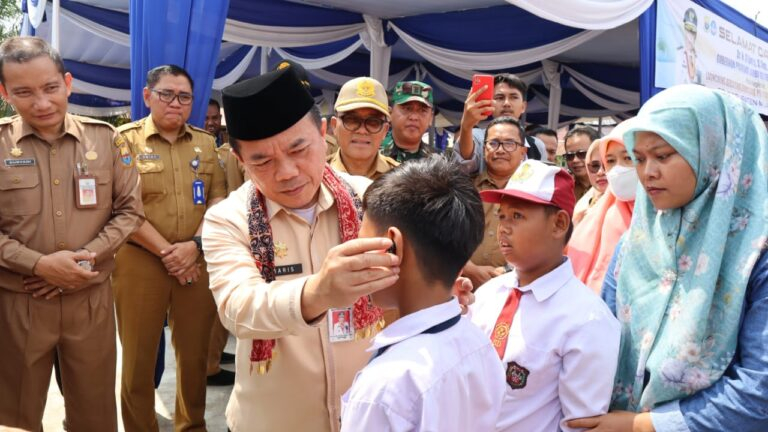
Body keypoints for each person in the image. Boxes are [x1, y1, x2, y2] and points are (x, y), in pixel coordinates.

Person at [204, 67, 475, 432]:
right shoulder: (228, 219)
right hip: (273, 421)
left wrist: (437, 295)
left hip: (368, 417)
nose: (287, 172)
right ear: (240, 160)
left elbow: (407, 279)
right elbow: (238, 309)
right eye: (262, 161)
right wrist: (318, 293)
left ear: (323, 133)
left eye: (299, 149)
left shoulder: (368, 198)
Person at [569, 85, 768, 432]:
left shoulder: (756, 252)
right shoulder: (635, 243)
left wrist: (642, 426)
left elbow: (758, 392)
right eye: (640, 158)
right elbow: (601, 339)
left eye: (663, 156)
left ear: (714, 154)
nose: (647, 172)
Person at [0, 36, 144, 431]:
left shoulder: (107, 139)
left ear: (67, 82)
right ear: (4, 92)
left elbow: (130, 211)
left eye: (50, 88)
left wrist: (82, 260)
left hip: (90, 299)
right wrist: (41, 265)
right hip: (20, 302)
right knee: (15, 416)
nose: (42, 103)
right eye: (24, 93)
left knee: (95, 415)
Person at [340, 156, 505, 431]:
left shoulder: (385, 385)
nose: (357, 250)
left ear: (393, 246)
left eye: (362, 239)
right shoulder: (478, 342)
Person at [113, 64, 227, 431]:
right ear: (147, 96)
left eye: (184, 97)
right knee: (138, 362)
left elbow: (218, 201)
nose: (175, 103)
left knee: (194, 357)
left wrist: (193, 247)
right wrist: (170, 253)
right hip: (140, 262)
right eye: (166, 94)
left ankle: (191, 425)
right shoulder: (124, 141)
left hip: (194, 260)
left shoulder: (206, 144)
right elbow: (122, 209)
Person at [471, 159, 621, 432]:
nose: (503, 227)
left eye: (517, 216)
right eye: (502, 215)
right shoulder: (489, 293)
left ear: (559, 224)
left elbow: (580, 423)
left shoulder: (587, 320)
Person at [568, 120, 637, 294]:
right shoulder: (595, 212)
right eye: (611, 161)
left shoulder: (663, 212)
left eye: (628, 158)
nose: (614, 170)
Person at [462, 116, 528, 289]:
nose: (500, 150)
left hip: (515, 287)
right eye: (494, 143)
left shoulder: (533, 194)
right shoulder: (463, 188)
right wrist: (469, 269)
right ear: (484, 150)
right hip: (463, 286)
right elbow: (443, 235)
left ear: (523, 152)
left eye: (509, 143)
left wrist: (508, 272)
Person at [204, 97, 239, 386]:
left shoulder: (219, 147)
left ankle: (214, 354)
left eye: (216, 118)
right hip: (211, 234)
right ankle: (209, 363)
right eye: (207, 117)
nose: (212, 122)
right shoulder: (217, 150)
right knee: (216, 307)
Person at [454, 73, 546, 175]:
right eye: (499, 97)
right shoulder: (476, 137)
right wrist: (466, 126)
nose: (506, 103)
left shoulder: (537, 146)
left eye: (513, 97)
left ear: (523, 106)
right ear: (490, 103)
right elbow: (464, 165)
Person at [327, 77, 399, 180]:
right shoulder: (316, 175)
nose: (362, 130)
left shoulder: (401, 180)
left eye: (373, 122)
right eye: (351, 120)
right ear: (334, 126)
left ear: (385, 130)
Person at [382, 80, 435, 163]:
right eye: (407, 108)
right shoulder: (372, 154)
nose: (414, 117)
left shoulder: (438, 163)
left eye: (422, 110)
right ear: (390, 113)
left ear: (431, 118)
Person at [572, 139, 608, 225]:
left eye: (608, 164)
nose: (600, 172)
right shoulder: (583, 206)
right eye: (594, 166)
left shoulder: (632, 205)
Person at [563, 125, 600, 202]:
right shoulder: (563, 188)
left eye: (582, 154)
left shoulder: (611, 184)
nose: (575, 160)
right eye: (570, 155)